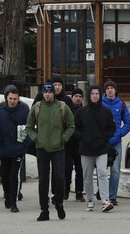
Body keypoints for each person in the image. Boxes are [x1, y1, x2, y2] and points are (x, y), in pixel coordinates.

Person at [26, 82, 75, 222]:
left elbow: (71, 126)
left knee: (60, 178)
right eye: (45, 92)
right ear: (42, 93)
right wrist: (37, 139)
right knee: (43, 180)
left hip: (58, 148)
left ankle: (58, 202)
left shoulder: (62, 107)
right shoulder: (37, 108)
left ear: (54, 93)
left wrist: (63, 139)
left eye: (50, 92)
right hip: (41, 149)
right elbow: (29, 127)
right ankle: (44, 210)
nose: (47, 94)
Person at [0, 85, 31, 213]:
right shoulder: (0, 111)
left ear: (18, 99)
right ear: (6, 98)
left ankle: (13, 202)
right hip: (3, 149)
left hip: (18, 150)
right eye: (10, 98)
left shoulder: (24, 112)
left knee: (14, 176)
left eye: (15, 99)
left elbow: (29, 129)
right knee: (4, 176)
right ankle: (7, 194)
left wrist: (24, 145)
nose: (12, 101)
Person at [74, 84, 116, 213]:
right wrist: (83, 137)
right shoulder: (81, 112)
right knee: (87, 176)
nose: (95, 96)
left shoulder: (106, 112)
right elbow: (75, 128)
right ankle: (90, 200)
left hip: (101, 148)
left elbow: (112, 128)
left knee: (102, 173)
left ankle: (105, 200)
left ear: (100, 95)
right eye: (92, 93)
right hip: (86, 149)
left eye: (97, 93)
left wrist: (105, 138)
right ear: (89, 95)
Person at [102, 80, 130, 206]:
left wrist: (119, 133)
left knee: (115, 171)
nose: (109, 90)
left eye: (112, 88)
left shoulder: (122, 105)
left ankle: (112, 196)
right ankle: (102, 193)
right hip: (102, 143)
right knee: (101, 171)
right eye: (107, 88)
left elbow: (128, 123)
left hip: (116, 143)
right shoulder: (100, 104)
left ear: (115, 90)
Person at [66, 88, 85, 202]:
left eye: (80, 96)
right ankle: (66, 189)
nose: (78, 98)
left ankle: (79, 192)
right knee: (67, 168)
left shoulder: (84, 111)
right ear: (72, 97)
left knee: (80, 169)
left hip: (80, 144)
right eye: (76, 96)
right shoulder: (67, 110)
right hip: (68, 143)